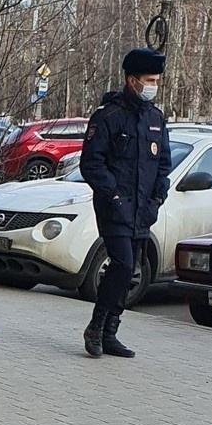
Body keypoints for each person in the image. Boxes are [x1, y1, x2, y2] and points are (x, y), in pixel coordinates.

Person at [80, 47, 170, 359]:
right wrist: (114, 196)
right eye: (149, 79)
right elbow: (92, 164)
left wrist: (157, 199)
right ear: (132, 80)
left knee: (131, 268)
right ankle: (96, 327)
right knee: (120, 263)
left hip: (143, 210)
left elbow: (163, 166)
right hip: (114, 206)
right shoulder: (109, 116)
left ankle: (110, 332)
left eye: (157, 80)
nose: (153, 86)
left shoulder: (156, 118)